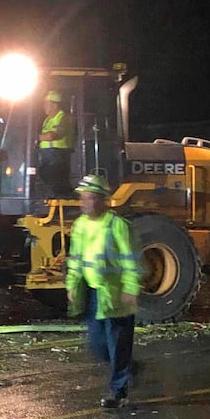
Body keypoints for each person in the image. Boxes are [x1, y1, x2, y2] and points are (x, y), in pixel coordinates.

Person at [67, 173, 141, 407]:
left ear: (102, 200)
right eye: (82, 198)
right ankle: (127, 369)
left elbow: (131, 260)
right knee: (98, 344)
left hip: (116, 295)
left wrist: (130, 288)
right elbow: (76, 259)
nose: (83, 203)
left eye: (88, 198)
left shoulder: (117, 225)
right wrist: (71, 285)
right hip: (93, 293)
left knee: (117, 345)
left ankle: (118, 392)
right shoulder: (80, 225)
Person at [36, 90, 74, 199]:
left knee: (55, 180)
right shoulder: (47, 120)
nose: (44, 107)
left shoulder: (63, 118)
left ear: (54, 105)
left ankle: (63, 200)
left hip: (58, 155)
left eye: (46, 104)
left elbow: (52, 136)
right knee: (45, 176)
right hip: (47, 155)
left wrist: (36, 138)